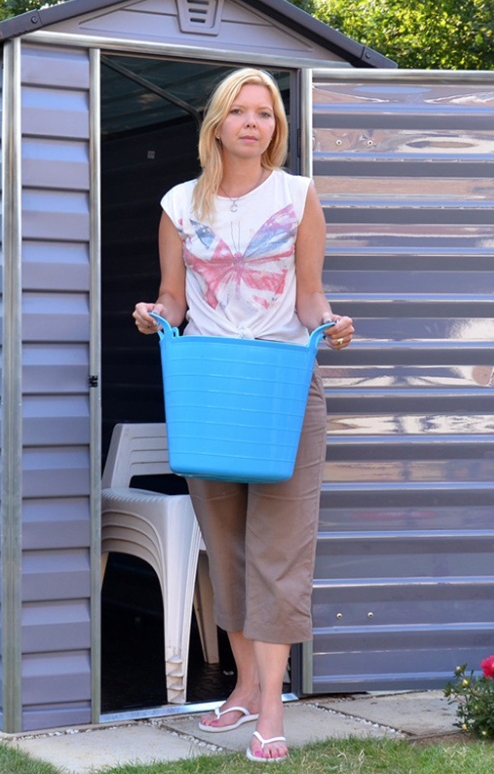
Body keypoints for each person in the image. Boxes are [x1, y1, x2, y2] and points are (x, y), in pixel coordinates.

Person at [131, 67, 354, 762]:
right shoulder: (178, 204)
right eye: (241, 111)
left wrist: (333, 324)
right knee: (224, 546)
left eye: (265, 113)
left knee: (278, 548)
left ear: (274, 128)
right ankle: (244, 690)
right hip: (209, 387)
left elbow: (309, 297)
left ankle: (272, 710)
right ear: (219, 124)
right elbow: (175, 297)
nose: (253, 122)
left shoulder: (298, 195)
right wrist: (152, 316)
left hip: (283, 385)